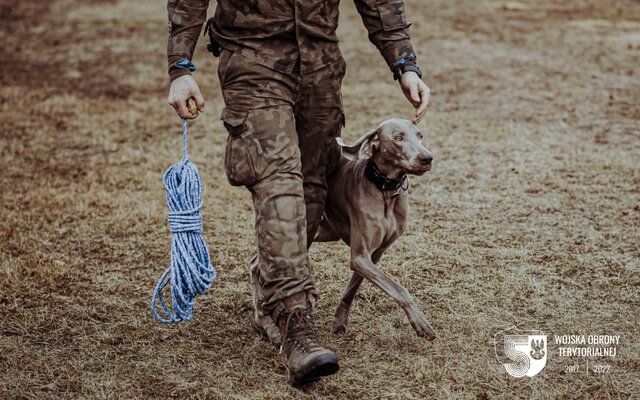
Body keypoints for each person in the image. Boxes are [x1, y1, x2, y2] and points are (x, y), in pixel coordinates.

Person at [166, 0, 430, 385]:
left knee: (311, 191)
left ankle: (269, 295)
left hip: (320, 69)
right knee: (280, 181)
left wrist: (404, 62)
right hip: (253, 61)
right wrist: (180, 66)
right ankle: (296, 321)